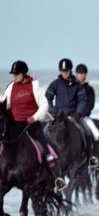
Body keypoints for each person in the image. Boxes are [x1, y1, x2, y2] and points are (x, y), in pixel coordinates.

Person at [2, 61, 66, 191]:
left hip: (31, 124)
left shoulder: (34, 86)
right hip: (15, 125)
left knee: (45, 148)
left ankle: (56, 178)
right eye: (13, 74)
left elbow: (44, 105)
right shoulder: (11, 87)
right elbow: (5, 103)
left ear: (24, 73)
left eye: (17, 74)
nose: (14, 76)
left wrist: (34, 117)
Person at [75, 63, 99, 169]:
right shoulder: (72, 87)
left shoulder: (89, 89)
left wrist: (80, 114)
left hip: (84, 117)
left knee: (96, 134)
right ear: (76, 74)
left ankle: (93, 158)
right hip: (70, 116)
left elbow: (90, 105)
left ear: (85, 75)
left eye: (83, 74)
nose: (81, 76)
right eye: (79, 73)